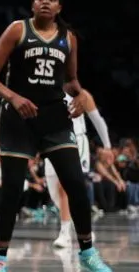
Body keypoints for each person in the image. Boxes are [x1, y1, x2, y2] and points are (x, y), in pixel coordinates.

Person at [0, 0, 111, 272]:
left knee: (76, 184)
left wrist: (78, 96)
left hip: (54, 118)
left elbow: (70, 80)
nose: (45, 2)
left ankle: (87, 253)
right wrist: (13, 97)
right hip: (17, 118)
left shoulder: (69, 38)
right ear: (33, 4)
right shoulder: (17, 30)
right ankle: (0, 259)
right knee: (12, 189)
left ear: (59, 8)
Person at [49, 89, 111, 248]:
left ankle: (65, 233)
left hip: (76, 139)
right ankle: (82, 226)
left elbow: (97, 119)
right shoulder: (45, 88)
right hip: (51, 140)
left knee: (65, 186)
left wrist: (108, 146)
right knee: (54, 192)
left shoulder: (80, 94)